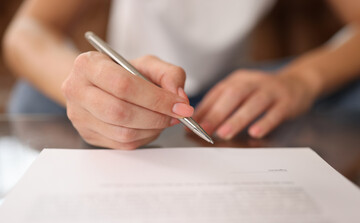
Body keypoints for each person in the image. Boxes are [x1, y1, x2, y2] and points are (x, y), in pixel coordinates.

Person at [3, 0, 360, 150]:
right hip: (131, 79)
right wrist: (87, 87)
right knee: (33, 98)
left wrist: (300, 80)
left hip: (232, 91)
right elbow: (27, 31)